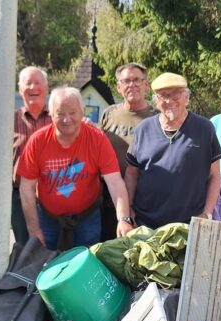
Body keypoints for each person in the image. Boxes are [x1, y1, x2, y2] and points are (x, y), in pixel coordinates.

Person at [17, 86, 134, 250]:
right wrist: (34, 229)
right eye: (60, 113)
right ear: (51, 114)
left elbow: (115, 182)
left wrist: (123, 219)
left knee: (87, 262)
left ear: (82, 111)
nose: (67, 119)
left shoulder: (97, 139)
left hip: (87, 215)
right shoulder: (37, 141)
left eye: (72, 112)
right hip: (48, 217)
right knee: (46, 266)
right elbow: (26, 188)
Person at [125, 73, 221, 228]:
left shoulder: (204, 128)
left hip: (188, 225)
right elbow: (132, 173)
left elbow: (214, 175)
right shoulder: (143, 129)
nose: (170, 101)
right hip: (144, 224)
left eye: (176, 94)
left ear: (186, 97)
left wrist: (206, 213)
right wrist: (128, 209)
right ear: (156, 100)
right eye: (163, 96)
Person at [99, 62, 157, 241]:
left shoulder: (157, 116)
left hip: (145, 203)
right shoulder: (109, 114)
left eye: (136, 80)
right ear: (119, 87)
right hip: (110, 202)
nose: (132, 85)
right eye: (126, 81)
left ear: (146, 84)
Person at [11, 66, 52, 246]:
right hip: (19, 198)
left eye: (38, 83)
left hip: (53, 196)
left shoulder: (58, 119)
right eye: (28, 83)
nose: (33, 88)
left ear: (47, 88)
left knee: (52, 247)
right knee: (25, 247)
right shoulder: (9, 121)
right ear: (20, 89)